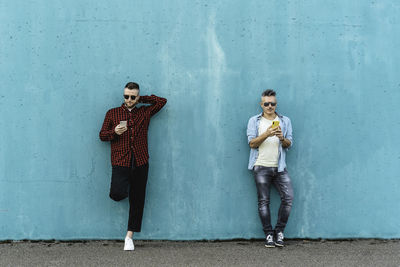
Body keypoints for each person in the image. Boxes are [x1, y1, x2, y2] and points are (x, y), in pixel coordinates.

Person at [99, 82, 167, 251]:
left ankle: (129, 237)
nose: (128, 100)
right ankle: (127, 189)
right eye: (126, 96)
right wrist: (114, 132)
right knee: (117, 193)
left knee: (138, 200)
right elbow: (101, 135)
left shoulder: (144, 112)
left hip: (140, 161)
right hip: (120, 161)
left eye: (132, 97)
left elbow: (161, 101)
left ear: (136, 97)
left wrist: (141, 99)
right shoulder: (112, 113)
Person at [246, 89, 294, 248]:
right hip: (261, 167)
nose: (269, 106)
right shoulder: (254, 121)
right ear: (261, 104)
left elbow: (289, 144)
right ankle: (268, 234)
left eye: (272, 103)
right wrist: (267, 134)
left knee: (288, 198)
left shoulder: (285, 120)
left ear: (276, 104)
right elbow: (252, 143)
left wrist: (281, 138)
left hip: (280, 168)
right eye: (266, 103)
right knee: (263, 201)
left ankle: (279, 232)